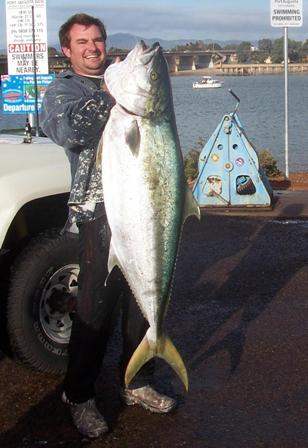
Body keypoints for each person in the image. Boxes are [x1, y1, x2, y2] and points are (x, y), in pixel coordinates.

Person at [40, 13, 176, 439]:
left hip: (144, 210)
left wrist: (123, 90)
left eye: (97, 39)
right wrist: (112, 94)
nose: (93, 47)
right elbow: (66, 129)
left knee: (142, 305)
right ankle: (78, 395)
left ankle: (137, 381)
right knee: (93, 309)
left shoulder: (121, 88)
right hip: (97, 216)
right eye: (82, 42)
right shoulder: (64, 90)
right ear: (68, 50)